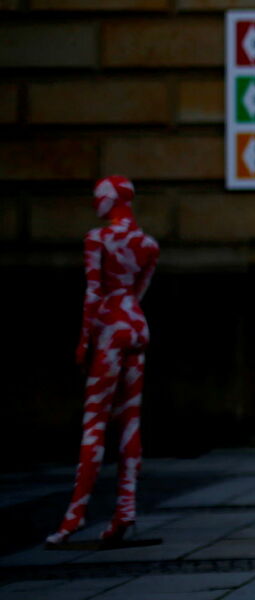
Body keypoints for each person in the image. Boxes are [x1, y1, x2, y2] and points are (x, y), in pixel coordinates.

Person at [47, 177, 160, 546]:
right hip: (137, 325)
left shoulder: (98, 239)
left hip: (110, 326)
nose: (95, 202)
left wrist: (84, 341)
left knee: (94, 421)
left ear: (110, 199)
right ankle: (125, 510)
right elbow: (139, 291)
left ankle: (74, 516)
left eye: (98, 196)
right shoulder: (147, 245)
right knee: (130, 421)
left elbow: (94, 292)